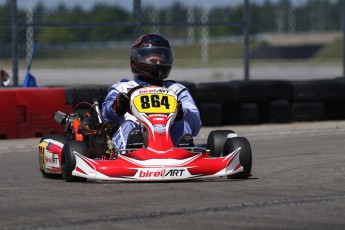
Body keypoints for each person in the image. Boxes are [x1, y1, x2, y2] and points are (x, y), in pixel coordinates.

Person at [102, 34, 201, 150]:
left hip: (167, 140)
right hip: (135, 138)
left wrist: (181, 113)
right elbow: (105, 117)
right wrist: (118, 106)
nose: (158, 64)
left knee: (182, 124)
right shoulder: (123, 88)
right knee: (128, 125)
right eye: (154, 60)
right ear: (138, 60)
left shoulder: (176, 90)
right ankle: (131, 152)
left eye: (161, 60)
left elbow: (195, 125)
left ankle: (183, 153)